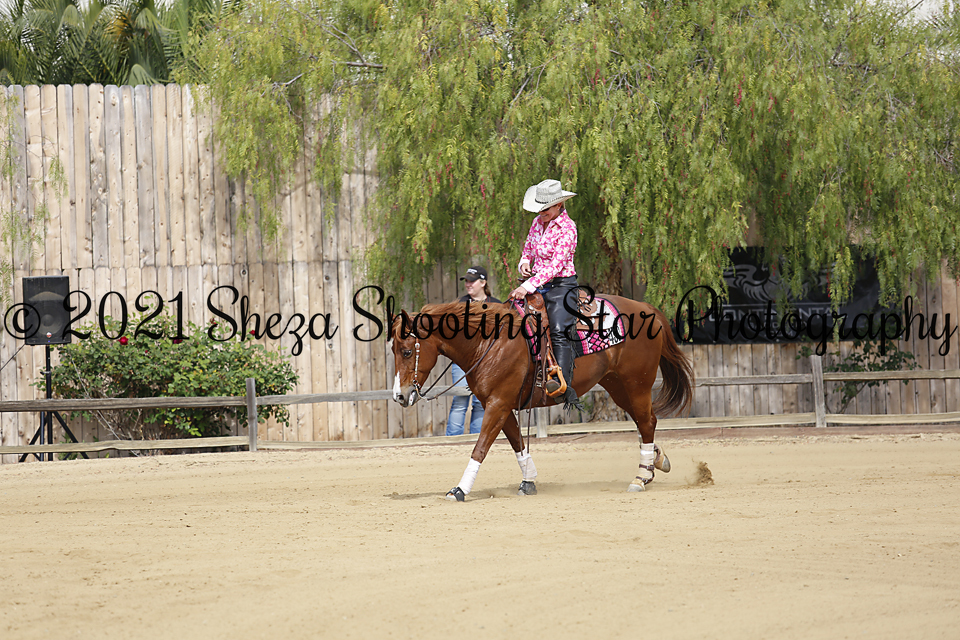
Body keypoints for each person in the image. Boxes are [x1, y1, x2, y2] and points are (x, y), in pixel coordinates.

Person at [507, 179, 584, 411]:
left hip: (561, 285)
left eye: (546, 209)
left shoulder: (568, 228)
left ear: (559, 204)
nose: (541, 214)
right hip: (537, 284)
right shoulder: (537, 222)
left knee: (559, 329)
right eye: (539, 209)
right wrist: (524, 262)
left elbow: (555, 266)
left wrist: (528, 286)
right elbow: (529, 247)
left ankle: (561, 383)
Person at [446, 266, 502, 436]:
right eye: (466, 281)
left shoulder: (496, 305)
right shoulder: (459, 305)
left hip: (487, 364)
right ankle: (452, 440)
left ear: (483, 283)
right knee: (460, 400)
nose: (468, 284)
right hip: (461, 363)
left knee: (480, 402)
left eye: (472, 281)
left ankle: (476, 438)